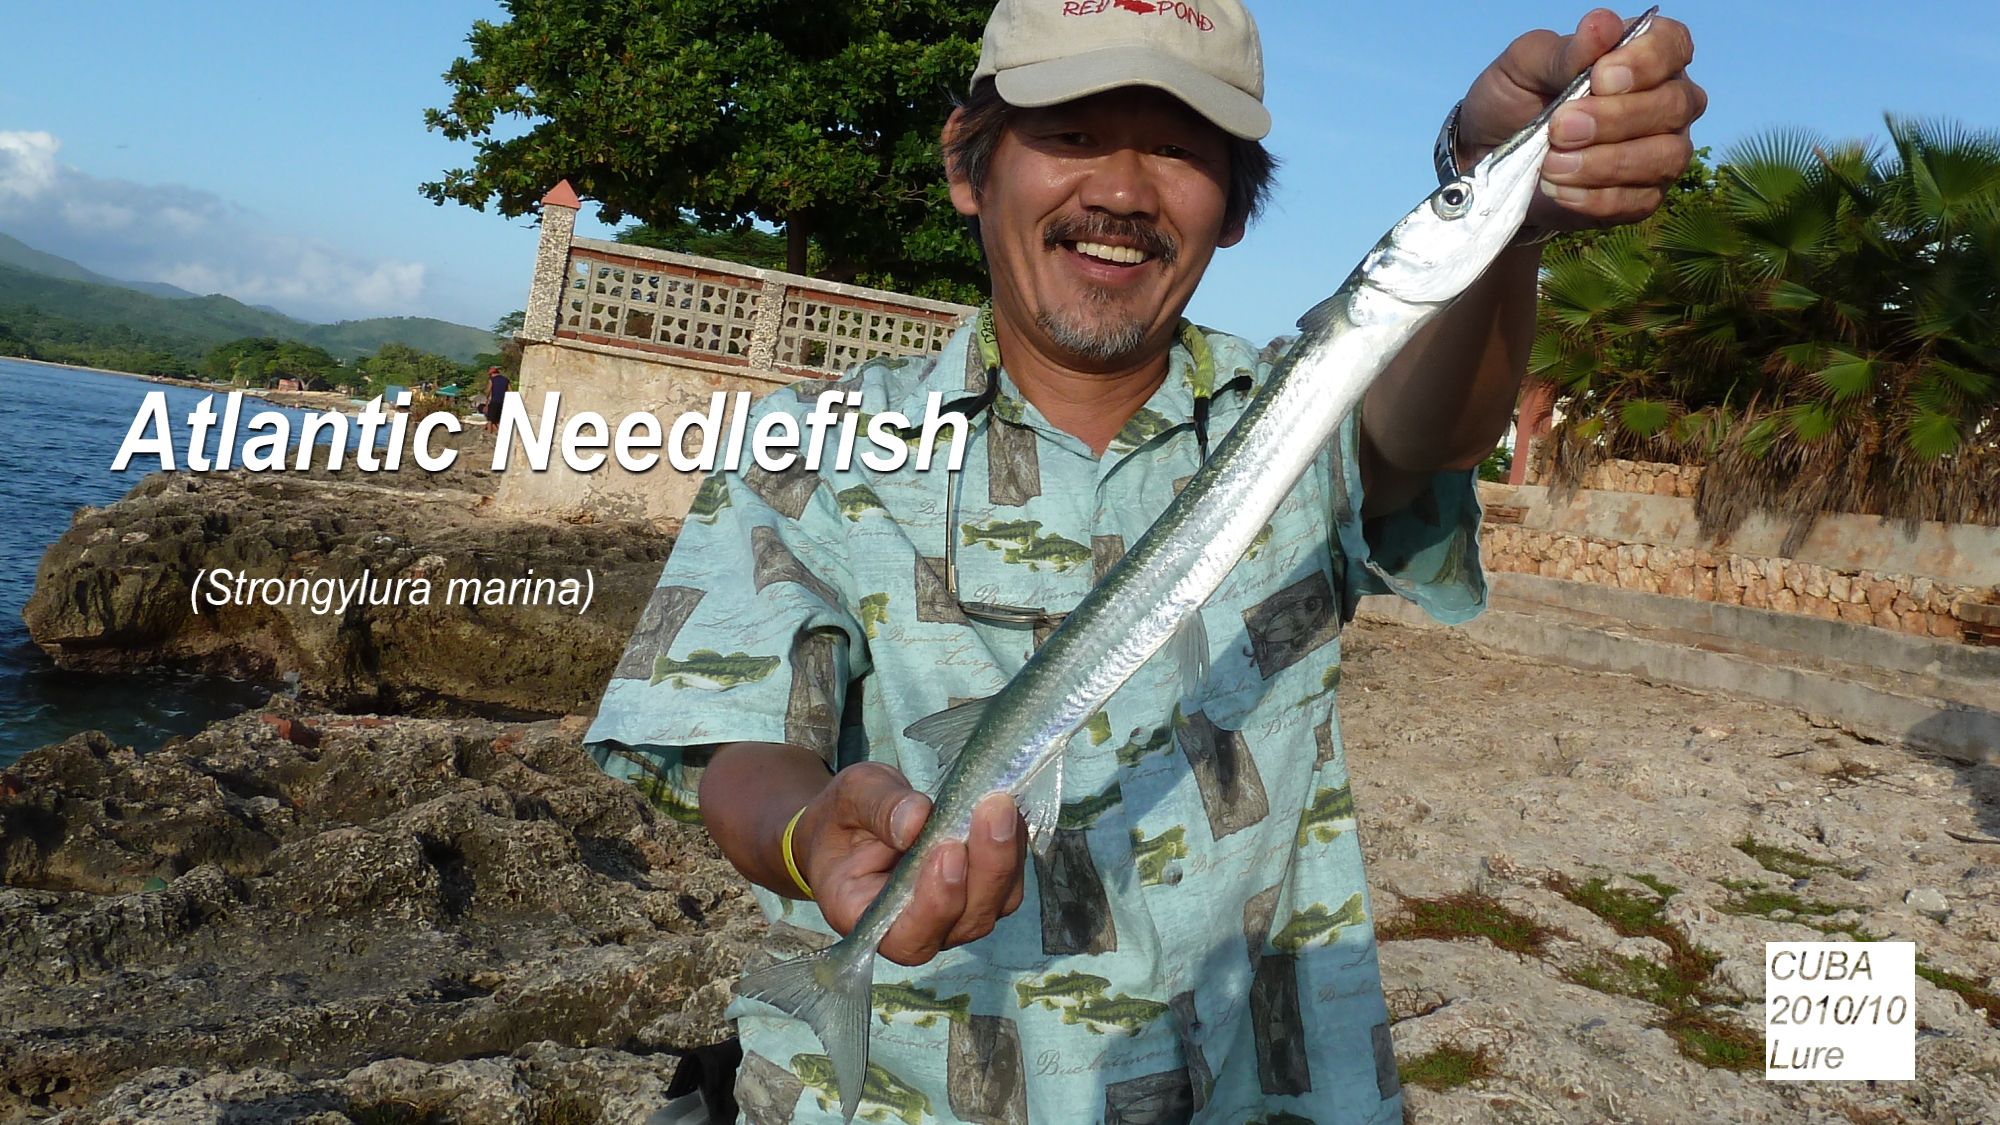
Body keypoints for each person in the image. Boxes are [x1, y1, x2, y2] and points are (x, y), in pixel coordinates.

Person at [586, 3, 1704, 1122]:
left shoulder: (1292, 408)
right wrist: (810, 835)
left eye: (1176, 148)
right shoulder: (817, 446)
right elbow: (734, 738)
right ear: (968, 164)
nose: (1122, 190)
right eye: (1071, 133)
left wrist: (1495, 204)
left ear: (1236, 205)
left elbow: (1428, 433)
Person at [484, 366, 509, 434]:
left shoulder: (492, 379)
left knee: (490, 420)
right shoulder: (506, 380)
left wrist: (486, 397)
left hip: (494, 401)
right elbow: (511, 391)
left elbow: (488, 390)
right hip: (503, 402)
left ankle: (489, 434)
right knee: (498, 420)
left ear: (491, 374)